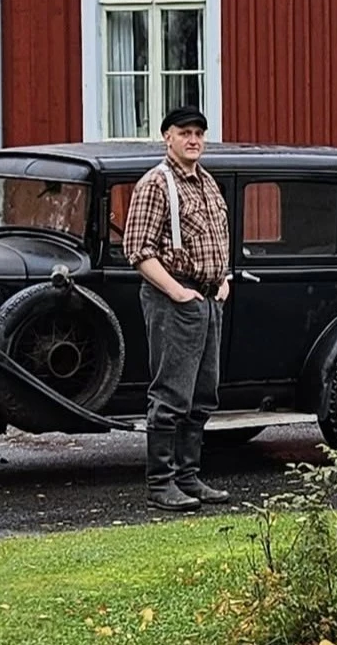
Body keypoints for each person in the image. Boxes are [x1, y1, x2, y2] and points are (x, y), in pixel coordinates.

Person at [120, 105, 232, 511]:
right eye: (185, 133)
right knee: (171, 393)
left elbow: (217, 238)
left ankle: (188, 477)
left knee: (203, 394)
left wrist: (223, 279)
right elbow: (138, 250)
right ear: (167, 137)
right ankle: (160, 483)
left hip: (208, 298)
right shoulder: (156, 183)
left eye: (199, 133)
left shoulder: (207, 182)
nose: (193, 140)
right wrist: (177, 292)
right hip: (175, 299)